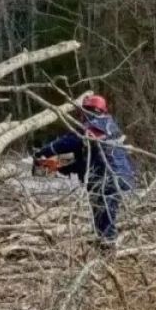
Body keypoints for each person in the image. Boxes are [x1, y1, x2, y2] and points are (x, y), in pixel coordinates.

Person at [33, 94, 136, 251]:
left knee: (105, 213)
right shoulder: (110, 125)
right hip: (117, 173)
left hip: (106, 176)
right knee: (103, 210)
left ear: (89, 111)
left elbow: (67, 142)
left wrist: (44, 151)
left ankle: (106, 248)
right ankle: (102, 241)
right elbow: (79, 155)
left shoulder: (93, 127)